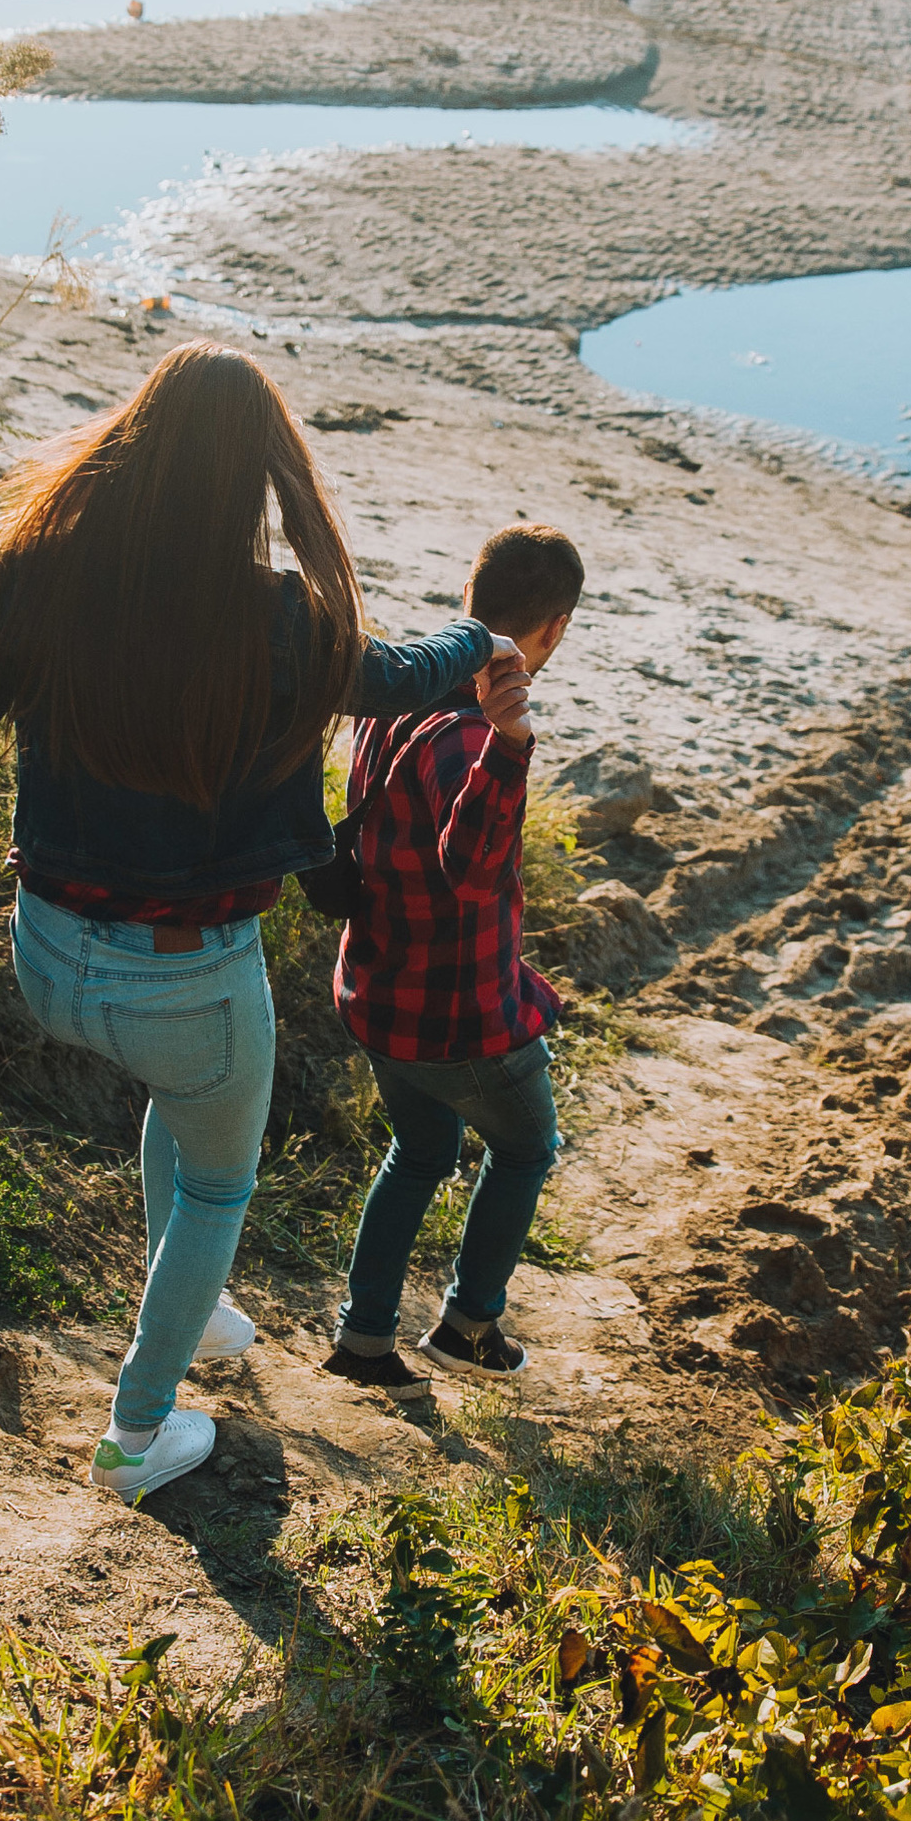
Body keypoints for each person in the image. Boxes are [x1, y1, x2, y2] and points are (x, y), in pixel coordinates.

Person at [0, 343, 510, 1504]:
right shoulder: (282, 619)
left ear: (133, 440)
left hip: (48, 958)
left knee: (183, 1102)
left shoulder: (32, 578)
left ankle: (191, 1308)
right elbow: (398, 675)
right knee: (216, 1183)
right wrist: (482, 641)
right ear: (258, 474)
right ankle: (136, 1435)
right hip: (189, 981)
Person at [324, 523, 584, 1391]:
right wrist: (511, 749)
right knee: (525, 1149)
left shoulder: (405, 694)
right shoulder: (476, 736)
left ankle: (363, 1339)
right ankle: (470, 1326)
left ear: (470, 598)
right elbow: (473, 875)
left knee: (422, 1153)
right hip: (461, 1018)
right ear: (552, 629)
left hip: (380, 997)